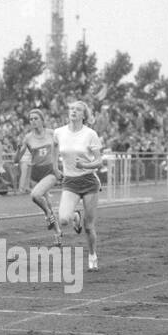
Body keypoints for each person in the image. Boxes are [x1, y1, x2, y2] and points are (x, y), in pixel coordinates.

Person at [55, 100, 104, 272]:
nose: (73, 111)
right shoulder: (59, 132)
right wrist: (55, 168)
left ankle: (92, 255)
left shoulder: (90, 134)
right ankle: (75, 216)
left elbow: (99, 161)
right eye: (71, 108)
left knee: (89, 226)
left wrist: (85, 165)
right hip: (70, 181)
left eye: (78, 109)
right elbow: (55, 149)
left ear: (84, 115)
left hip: (89, 181)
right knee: (63, 220)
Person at [14, 108, 61, 241]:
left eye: (36, 118)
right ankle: (58, 232)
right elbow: (16, 160)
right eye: (31, 119)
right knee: (48, 203)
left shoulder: (52, 133)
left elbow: (60, 147)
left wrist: (57, 166)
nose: (33, 121)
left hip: (50, 171)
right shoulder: (28, 137)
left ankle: (48, 214)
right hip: (37, 173)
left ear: (42, 120)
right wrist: (18, 149)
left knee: (35, 195)